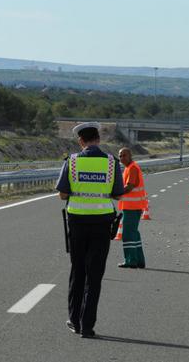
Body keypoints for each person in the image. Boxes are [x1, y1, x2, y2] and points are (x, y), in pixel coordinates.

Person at [56, 122, 124, 338]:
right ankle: (87, 326)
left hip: (77, 223)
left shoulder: (72, 162)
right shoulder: (112, 163)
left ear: (81, 141)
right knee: (94, 276)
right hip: (102, 224)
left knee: (78, 271)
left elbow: (62, 194)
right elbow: (118, 195)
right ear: (98, 140)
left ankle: (74, 321)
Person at [117, 148, 147, 269]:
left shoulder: (133, 168)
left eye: (124, 155)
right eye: (120, 156)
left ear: (130, 156)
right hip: (132, 207)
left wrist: (116, 193)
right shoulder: (128, 168)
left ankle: (131, 260)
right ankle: (139, 261)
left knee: (128, 234)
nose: (121, 158)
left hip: (132, 208)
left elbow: (129, 187)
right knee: (134, 233)